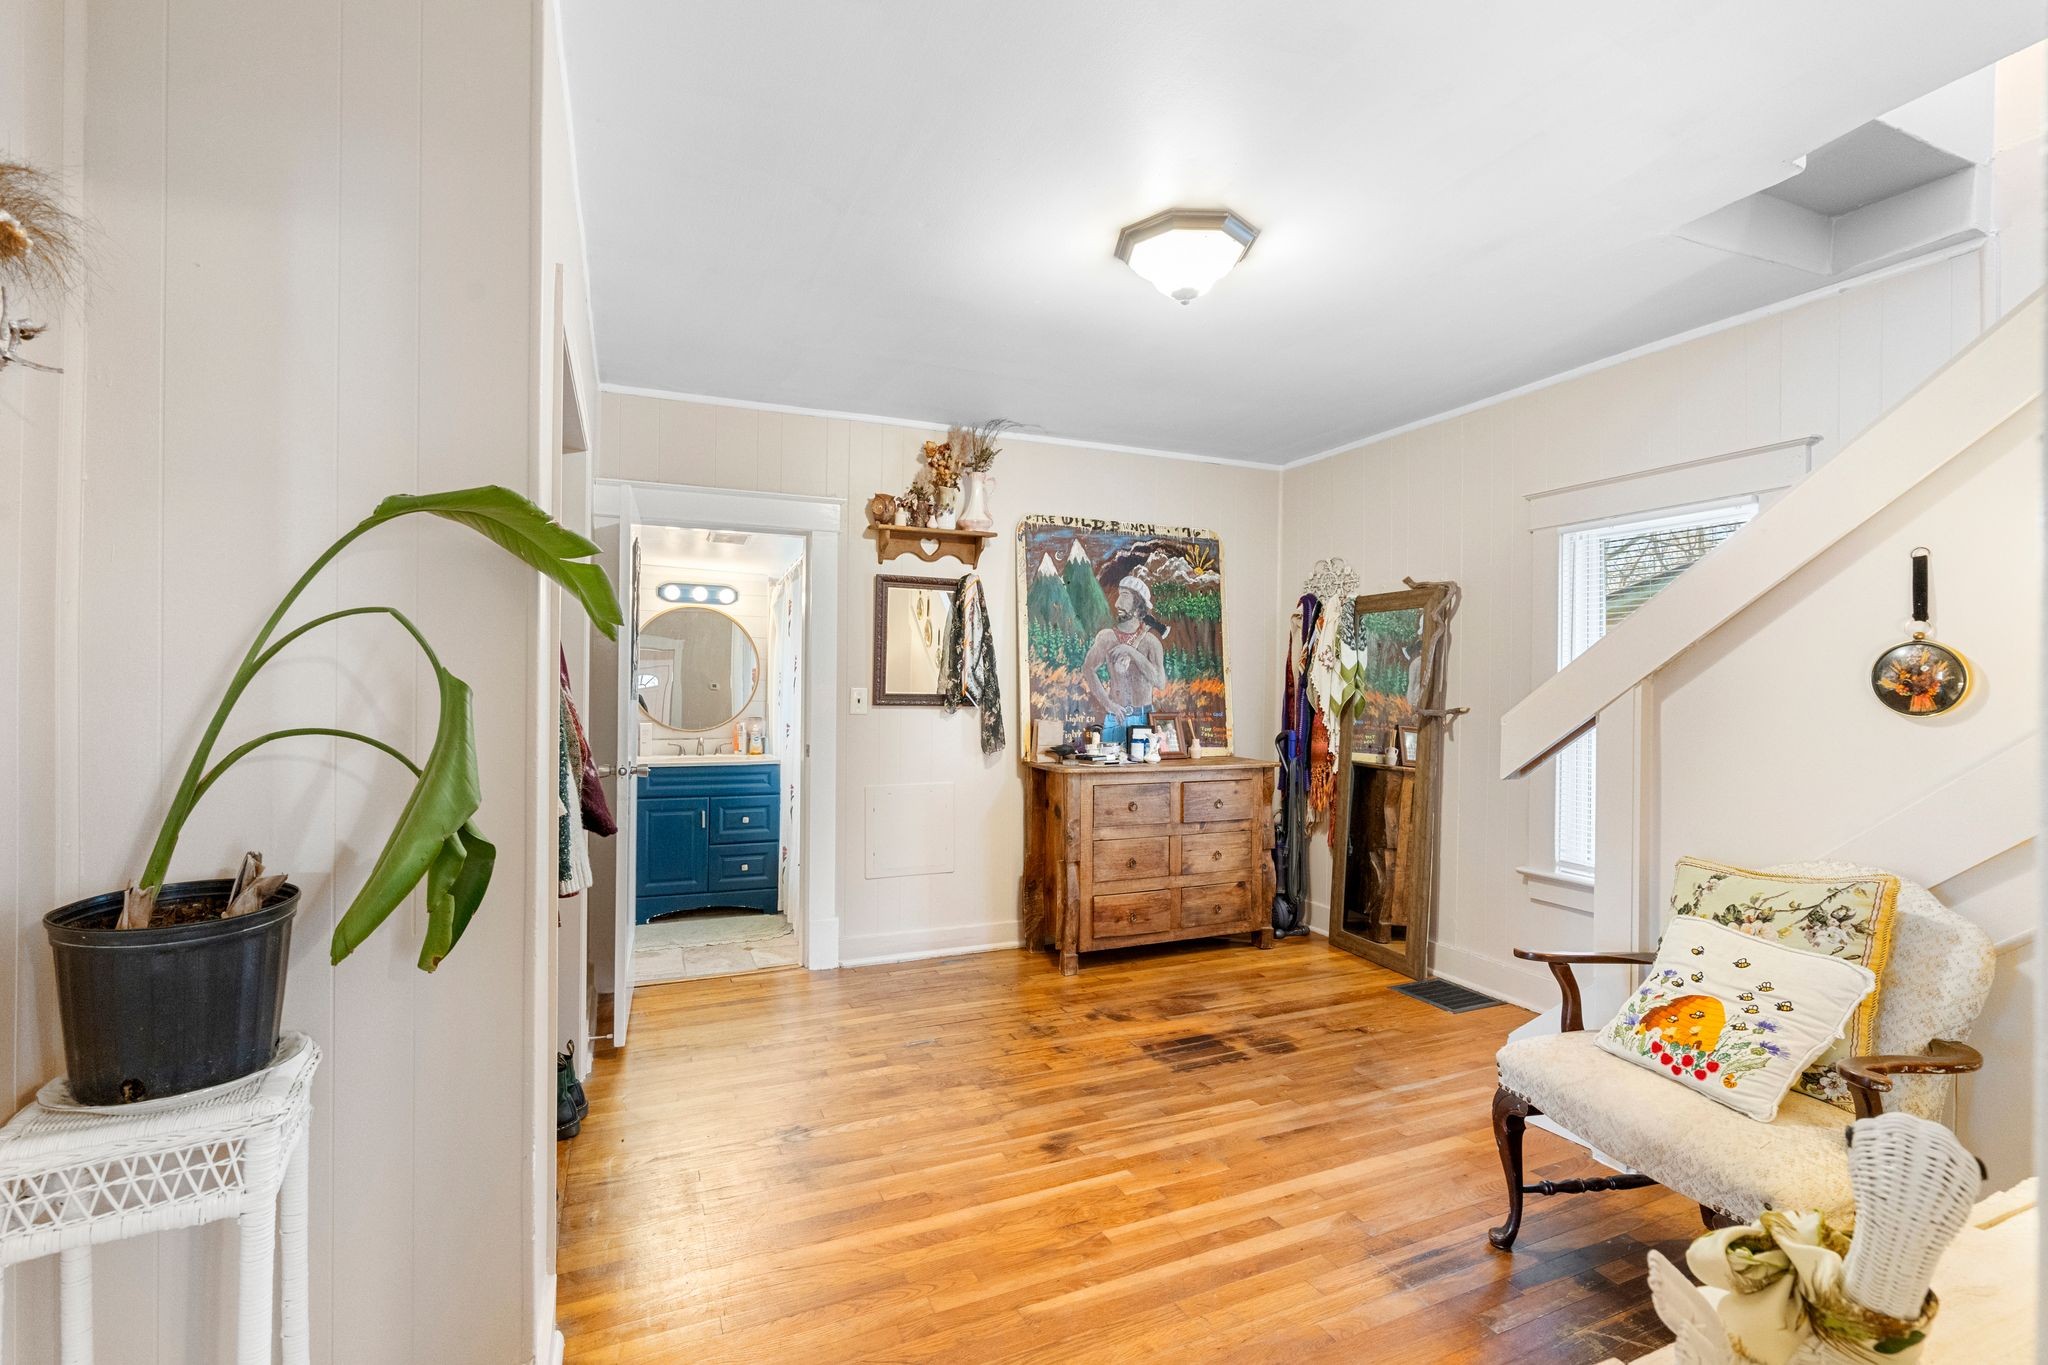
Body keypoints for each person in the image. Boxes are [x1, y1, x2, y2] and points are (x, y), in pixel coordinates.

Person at [1081, 575, 1166, 724]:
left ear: (1139, 604)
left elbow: (1160, 682)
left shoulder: (1152, 643)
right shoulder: (1106, 637)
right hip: (1116, 717)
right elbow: (1088, 668)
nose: (1117, 604)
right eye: (1119, 596)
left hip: (1144, 718)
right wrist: (1109, 705)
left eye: (1125, 596)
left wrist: (1132, 652)